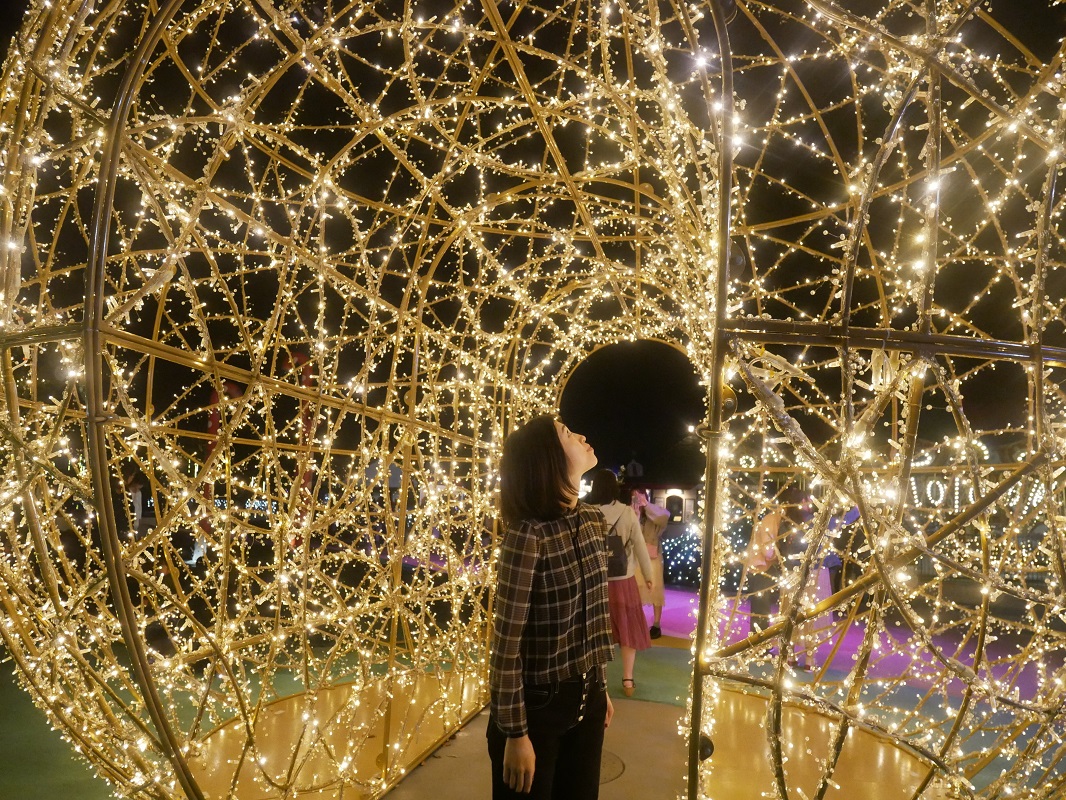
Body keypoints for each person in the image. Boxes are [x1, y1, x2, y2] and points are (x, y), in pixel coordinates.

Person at [487, 415, 615, 798]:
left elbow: (594, 618)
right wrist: (515, 733)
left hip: (588, 696)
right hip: (537, 709)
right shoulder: (527, 535)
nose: (582, 434)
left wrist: (599, 687)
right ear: (548, 459)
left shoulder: (593, 519)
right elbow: (506, 645)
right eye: (566, 433)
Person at [585, 469, 654, 697]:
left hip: (595, 582)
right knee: (627, 632)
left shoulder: (586, 512)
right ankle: (627, 679)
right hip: (623, 581)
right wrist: (648, 575)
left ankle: (597, 679)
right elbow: (640, 545)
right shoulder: (626, 512)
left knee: (594, 631)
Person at [631, 490, 670, 638]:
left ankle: (656, 625)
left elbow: (664, 517)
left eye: (639, 497)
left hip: (653, 557)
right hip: (636, 558)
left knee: (656, 589)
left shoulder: (654, 513)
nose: (637, 500)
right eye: (634, 498)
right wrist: (635, 515)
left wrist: (646, 505)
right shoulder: (632, 514)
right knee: (636, 590)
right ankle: (637, 622)